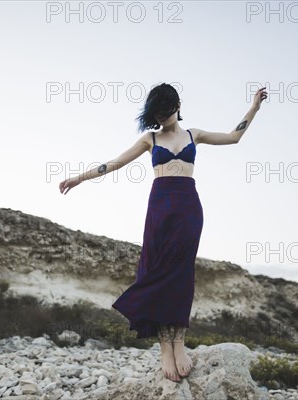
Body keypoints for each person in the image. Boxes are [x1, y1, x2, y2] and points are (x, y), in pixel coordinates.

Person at [59, 83, 267, 382]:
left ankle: (178, 342)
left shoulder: (195, 135)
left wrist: (254, 107)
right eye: (157, 113)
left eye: (167, 111)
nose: (163, 117)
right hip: (159, 208)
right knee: (157, 271)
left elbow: (234, 137)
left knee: (180, 273)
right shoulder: (150, 139)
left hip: (188, 208)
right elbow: (114, 163)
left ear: (178, 105)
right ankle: (164, 348)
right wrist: (80, 178)